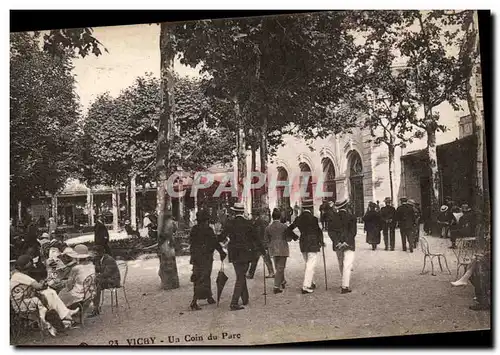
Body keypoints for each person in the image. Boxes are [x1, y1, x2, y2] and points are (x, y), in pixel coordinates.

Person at [10, 255, 80, 336]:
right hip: (22, 304)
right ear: (25, 267)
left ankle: (65, 314)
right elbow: (38, 286)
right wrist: (43, 282)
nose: (30, 269)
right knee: (46, 296)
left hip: (24, 300)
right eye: (29, 267)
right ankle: (61, 318)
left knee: (50, 292)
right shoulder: (21, 276)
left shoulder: (15, 275)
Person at [222, 202, 265, 311]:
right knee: (241, 276)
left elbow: (222, 237)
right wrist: (262, 250)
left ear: (234, 212)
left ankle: (245, 298)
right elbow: (256, 238)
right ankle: (234, 302)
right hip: (246, 253)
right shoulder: (248, 223)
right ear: (242, 212)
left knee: (240, 274)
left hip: (234, 253)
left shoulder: (230, 223)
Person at [188, 210, 226, 310]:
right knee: (204, 278)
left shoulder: (194, 229)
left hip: (196, 258)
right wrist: (221, 252)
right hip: (206, 258)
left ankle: (208, 297)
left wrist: (193, 258)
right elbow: (214, 242)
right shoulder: (208, 230)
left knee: (199, 278)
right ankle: (194, 301)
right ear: (205, 220)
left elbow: (192, 244)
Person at [287, 199, 324, 294]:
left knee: (308, 263)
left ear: (303, 208)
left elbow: (288, 229)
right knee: (310, 264)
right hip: (312, 243)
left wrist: (296, 237)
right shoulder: (314, 219)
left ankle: (311, 282)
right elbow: (318, 231)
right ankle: (306, 286)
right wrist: (321, 242)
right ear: (311, 208)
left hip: (303, 243)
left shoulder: (299, 218)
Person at [329, 199, 357, 294]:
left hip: (337, 245)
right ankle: (345, 285)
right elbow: (353, 232)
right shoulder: (351, 217)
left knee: (341, 263)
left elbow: (331, 232)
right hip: (349, 244)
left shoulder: (332, 217)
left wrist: (337, 242)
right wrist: (346, 241)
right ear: (346, 206)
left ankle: (343, 281)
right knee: (347, 264)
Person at [264, 208, 292, 294]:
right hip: (283, 248)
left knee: (278, 267)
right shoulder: (284, 226)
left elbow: (266, 240)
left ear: (272, 217)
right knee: (280, 267)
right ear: (280, 217)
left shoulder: (268, 228)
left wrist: (269, 246)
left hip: (272, 249)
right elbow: (289, 238)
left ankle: (282, 281)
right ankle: (276, 286)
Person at [91, 245, 121, 317]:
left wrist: (95, 276)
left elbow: (106, 274)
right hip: (106, 279)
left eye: (95, 254)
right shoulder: (99, 259)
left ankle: (95, 308)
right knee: (92, 284)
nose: (94, 255)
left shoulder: (109, 260)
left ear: (101, 253)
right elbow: (97, 270)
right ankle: (94, 305)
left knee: (96, 285)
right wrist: (95, 263)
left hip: (113, 280)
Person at [248, 209, 274, 279]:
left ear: (255, 215)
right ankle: (271, 272)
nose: (251, 216)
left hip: (260, 244)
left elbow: (259, 234)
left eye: (252, 215)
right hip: (261, 243)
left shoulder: (259, 223)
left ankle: (251, 274)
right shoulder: (261, 222)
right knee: (264, 259)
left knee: (258, 259)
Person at [158, 211, 177, 289]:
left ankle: (165, 282)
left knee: (164, 262)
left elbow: (160, 235)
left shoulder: (161, 223)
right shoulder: (172, 222)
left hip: (164, 243)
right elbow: (175, 230)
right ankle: (172, 282)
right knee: (171, 262)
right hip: (170, 243)